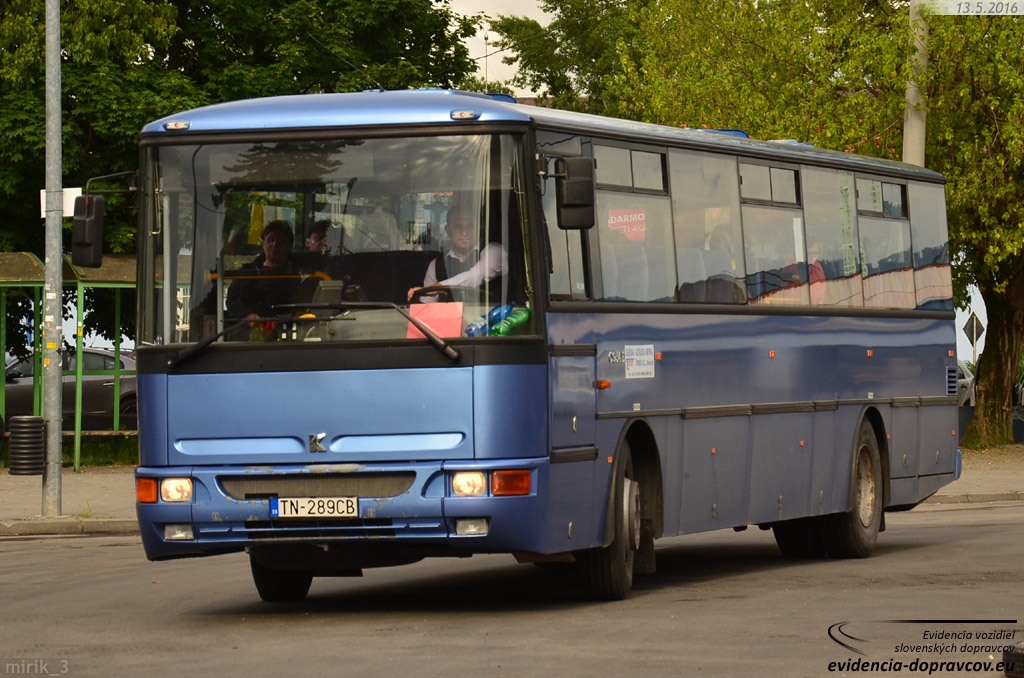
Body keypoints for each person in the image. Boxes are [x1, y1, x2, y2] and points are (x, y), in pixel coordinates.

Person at [408, 204, 507, 302]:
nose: (464, 233)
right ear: (448, 230)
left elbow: (476, 275)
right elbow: (427, 303)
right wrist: (420, 294)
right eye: (458, 227)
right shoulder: (436, 264)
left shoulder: (495, 251)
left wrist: (438, 287)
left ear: (479, 228)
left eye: (470, 226)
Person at [225, 220, 301, 323]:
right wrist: (247, 315)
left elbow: (298, 305)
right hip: (250, 328)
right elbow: (232, 301)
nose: (274, 244)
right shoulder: (247, 272)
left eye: (280, 241)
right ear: (263, 243)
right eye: (271, 239)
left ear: (289, 246)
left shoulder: (295, 276)